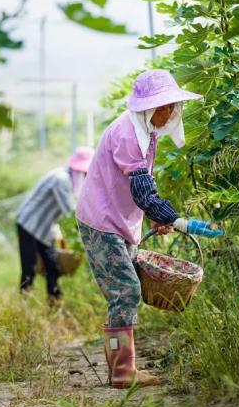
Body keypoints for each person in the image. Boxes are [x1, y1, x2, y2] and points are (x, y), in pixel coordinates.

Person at [76, 69, 224, 389]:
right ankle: (121, 372)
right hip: (102, 222)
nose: (169, 112)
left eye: (172, 106)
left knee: (125, 291)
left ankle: (122, 369)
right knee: (126, 290)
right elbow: (143, 193)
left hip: (117, 219)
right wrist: (177, 219)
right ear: (146, 108)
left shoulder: (145, 132)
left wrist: (158, 217)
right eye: (162, 106)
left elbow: (145, 181)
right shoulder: (128, 134)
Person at [16, 147, 94, 302]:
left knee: (52, 265)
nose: (86, 177)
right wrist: (88, 233)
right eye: (85, 173)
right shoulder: (61, 179)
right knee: (29, 266)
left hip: (44, 227)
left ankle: (54, 299)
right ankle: (23, 301)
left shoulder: (67, 178)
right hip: (29, 225)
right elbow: (70, 212)